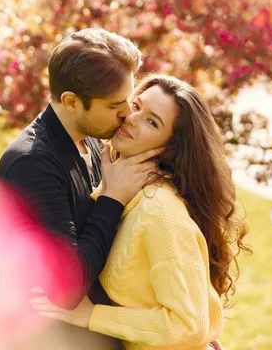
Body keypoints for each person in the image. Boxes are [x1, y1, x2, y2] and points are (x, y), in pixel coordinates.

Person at [30, 75, 251, 350]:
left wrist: (91, 316)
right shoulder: (121, 188)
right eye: (136, 105)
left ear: (170, 146)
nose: (132, 118)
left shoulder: (158, 210)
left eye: (152, 122)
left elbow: (188, 325)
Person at [0, 29, 164, 350]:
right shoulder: (33, 164)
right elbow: (66, 287)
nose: (126, 113)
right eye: (114, 105)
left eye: (127, 100)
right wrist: (112, 198)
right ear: (71, 101)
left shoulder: (93, 140)